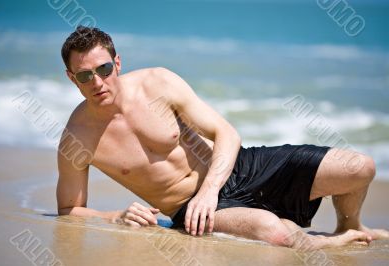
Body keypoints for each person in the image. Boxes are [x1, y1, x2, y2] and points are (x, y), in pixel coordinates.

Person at [56, 26, 388, 250]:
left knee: (361, 167)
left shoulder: (157, 83)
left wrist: (210, 190)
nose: (97, 82)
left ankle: (349, 225)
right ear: (73, 79)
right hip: (191, 208)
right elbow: (70, 208)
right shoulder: (77, 138)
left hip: (240, 167)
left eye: (103, 70)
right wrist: (114, 216)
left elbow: (225, 132)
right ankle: (329, 242)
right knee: (276, 234)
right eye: (85, 76)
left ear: (117, 63)